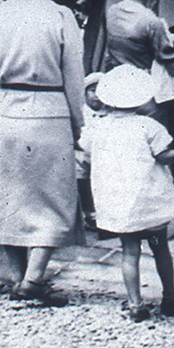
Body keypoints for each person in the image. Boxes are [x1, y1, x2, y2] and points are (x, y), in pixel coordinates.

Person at [0, 0, 86, 306]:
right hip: (50, 109)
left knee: (8, 195)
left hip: (5, 109)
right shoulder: (60, 16)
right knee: (51, 197)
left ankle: (16, 275)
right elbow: (74, 76)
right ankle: (35, 278)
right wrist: (79, 121)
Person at [79, 64, 174, 321]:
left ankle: (135, 305)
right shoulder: (148, 126)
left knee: (129, 252)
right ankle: (169, 299)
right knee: (160, 248)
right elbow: (165, 158)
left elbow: (86, 156)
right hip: (150, 203)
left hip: (122, 204)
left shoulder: (98, 129)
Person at [104, 0, 174, 143]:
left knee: (123, 144)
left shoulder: (112, 12)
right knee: (152, 146)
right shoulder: (152, 21)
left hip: (118, 86)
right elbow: (173, 66)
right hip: (146, 91)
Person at [75, 72, 106, 231]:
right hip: (81, 154)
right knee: (81, 178)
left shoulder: (109, 113)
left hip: (103, 155)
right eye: (92, 90)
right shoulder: (80, 113)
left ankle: (102, 213)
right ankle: (89, 214)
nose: (96, 96)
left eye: (101, 90)